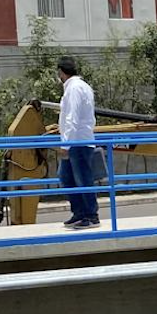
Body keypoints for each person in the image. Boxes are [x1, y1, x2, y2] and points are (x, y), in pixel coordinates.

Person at [55, 56, 99, 228]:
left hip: (77, 142)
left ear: (61, 72)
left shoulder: (73, 89)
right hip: (79, 141)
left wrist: (65, 145)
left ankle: (91, 215)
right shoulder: (83, 86)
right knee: (66, 177)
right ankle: (79, 213)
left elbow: (72, 118)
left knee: (82, 179)